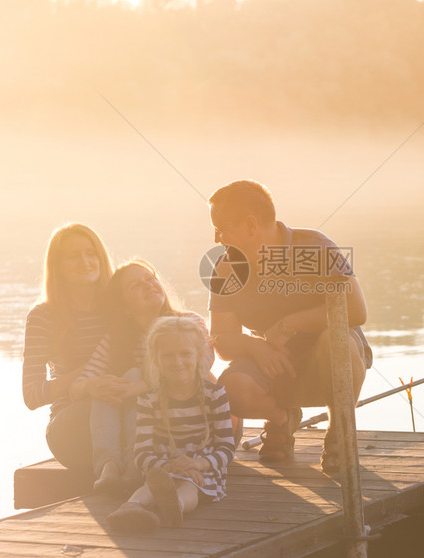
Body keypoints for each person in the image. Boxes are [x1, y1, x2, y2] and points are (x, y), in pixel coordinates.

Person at [207, 180, 372, 472]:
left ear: (250, 225)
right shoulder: (227, 267)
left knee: (335, 342)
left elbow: (357, 309)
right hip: (274, 363)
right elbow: (220, 339)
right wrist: (255, 347)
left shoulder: (312, 248)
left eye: (221, 229)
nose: (217, 238)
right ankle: (281, 418)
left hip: (331, 357)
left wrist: (291, 323)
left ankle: (339, 430)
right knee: (231, 388)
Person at [69, 259, 209, 493]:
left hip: (189, 423)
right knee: (105, 385)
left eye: (150, 278)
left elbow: (199, 368)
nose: (149, 285)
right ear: (124, 307)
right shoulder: (116, 341)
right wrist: (93, 385)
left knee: (133, 376)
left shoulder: (188, 323)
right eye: (136, 285)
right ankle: (109, 467)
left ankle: (136, 464)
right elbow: (76, 388)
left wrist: (142, 385)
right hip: (147, 429)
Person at [107, 315, 234, 532]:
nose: (177, 362)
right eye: (168, 356)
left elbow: (227, 448)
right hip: (163, 466)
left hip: (203, 468)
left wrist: (198, 464)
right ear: (155, 359)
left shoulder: (216, 394)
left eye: (185, 354)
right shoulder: (149, 399)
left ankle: (176, 507)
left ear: (199, 355)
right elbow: (142, 451)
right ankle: (131, 508)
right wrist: (166, 466)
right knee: (151, 485)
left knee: (190, 485)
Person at [22, 223, 114, 471]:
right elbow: (31, 395)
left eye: (90, 253)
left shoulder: (119, 304)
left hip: (122, 406)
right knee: (99, 407)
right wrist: (87, 374)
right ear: (58, 266)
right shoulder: (44, 316)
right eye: (73, 257)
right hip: (73, 421)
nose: (85, 261)